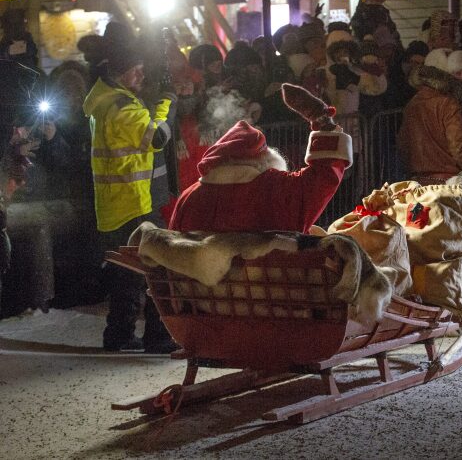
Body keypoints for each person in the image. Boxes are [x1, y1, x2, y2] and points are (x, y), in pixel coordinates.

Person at [83, 40, 178, 353]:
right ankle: (158, 337)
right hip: (135, 202)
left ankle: (119, 334)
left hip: (118, 203)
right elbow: (157, 137)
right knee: (158, 267)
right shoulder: (121, 107)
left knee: (127, 273)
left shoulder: (106, 100)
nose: (141, 76)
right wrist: (167, 104)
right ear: (120, 73)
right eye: (136, 71)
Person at [168, 84, 352, 233]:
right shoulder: (276, 189)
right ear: (263, 159)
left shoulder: (189, 198)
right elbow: (325, 174)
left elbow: (174, 248)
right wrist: (322, 120)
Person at [398, 48, 462, 183]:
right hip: (449, 184)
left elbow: (404, 146)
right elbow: (461, 150)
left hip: (419, 183)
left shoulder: (412, 104)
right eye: (458, 73)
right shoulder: (449, 105)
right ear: (445, 75)